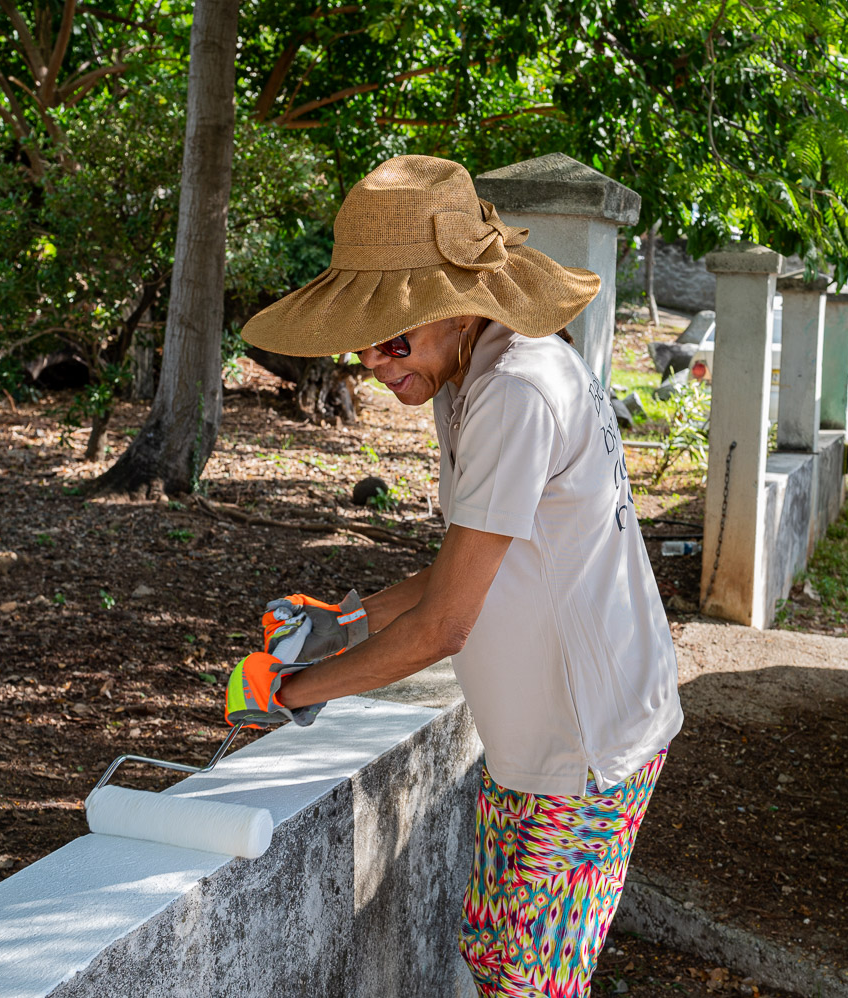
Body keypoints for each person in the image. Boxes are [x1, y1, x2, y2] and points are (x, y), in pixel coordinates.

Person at [234, 155, 684, 997]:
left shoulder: (515, 390)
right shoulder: (468, 375)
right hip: (537, 741)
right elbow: (474, 565)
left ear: (458, 305)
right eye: (364, 340)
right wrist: (343, 620)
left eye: (392, 337)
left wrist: (292, 692)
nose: (374, 360)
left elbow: (446, 624)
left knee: (530, 983)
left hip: (587, 749)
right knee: (492, 954)